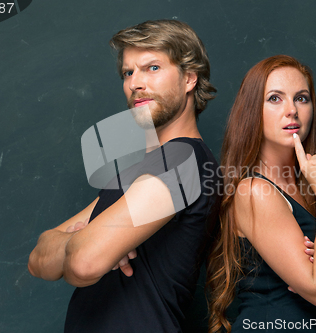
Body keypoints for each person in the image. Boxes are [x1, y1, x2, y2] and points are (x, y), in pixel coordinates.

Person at [28, 19, 220, 332]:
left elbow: (83, 264)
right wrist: (85, 240)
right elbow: (37, 260)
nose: (135, 83)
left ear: (189, 79)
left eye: (152, 68)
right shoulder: (140, 170)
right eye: (128, 72)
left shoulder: (184, 160)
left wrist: (85, 242)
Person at [206, 55, 316, 332]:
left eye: (302, 98)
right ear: (252, 111)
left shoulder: (309, 190)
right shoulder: (254, 191)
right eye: (274, 98)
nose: (292, 110)